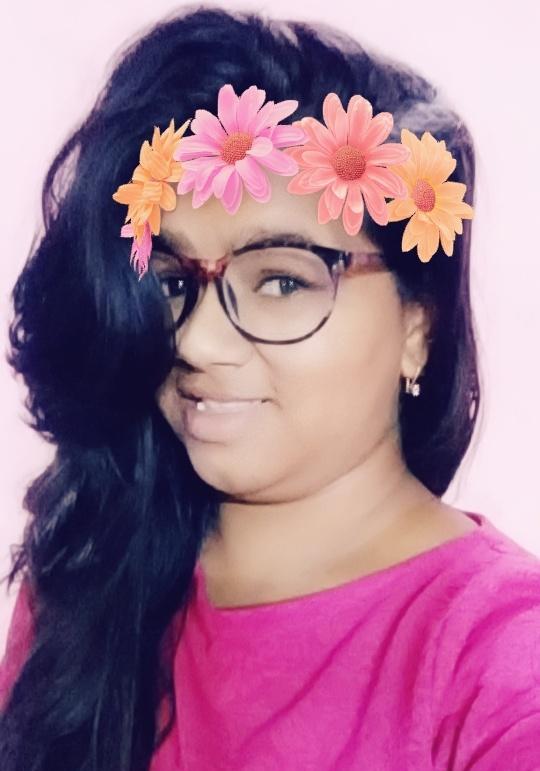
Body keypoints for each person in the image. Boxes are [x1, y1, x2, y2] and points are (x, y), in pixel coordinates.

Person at [1, 5, 539, 770]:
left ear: (418, 323)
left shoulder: (500, 653)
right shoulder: (92, 572)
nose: (196, 341)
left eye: (282, 280)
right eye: (173, 282)